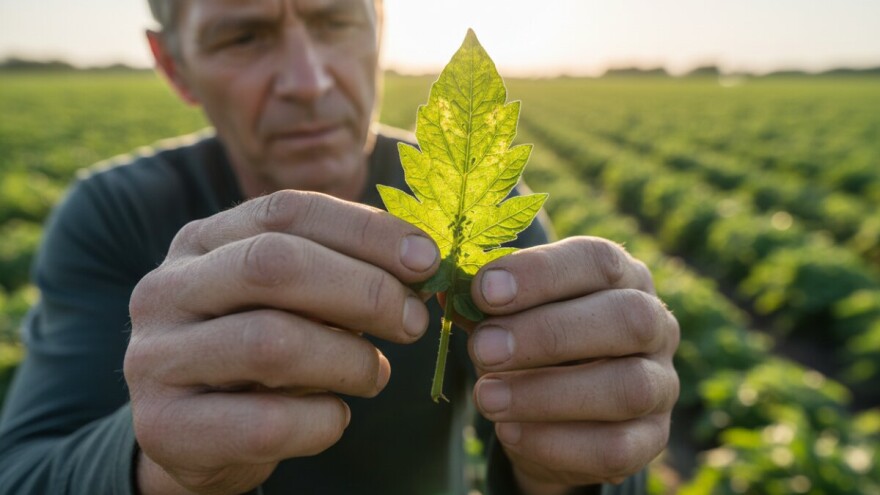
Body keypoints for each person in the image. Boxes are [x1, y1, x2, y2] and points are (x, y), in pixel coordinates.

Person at [0, 0, 680, 493]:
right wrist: (155, 461)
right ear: (174, 66)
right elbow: (23, 474)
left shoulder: (483, 212)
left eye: (334, 20)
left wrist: (568, 468)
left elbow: (590, 451)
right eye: (243, 35)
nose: (309, 80)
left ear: (379, 24)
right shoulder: (115, 214)